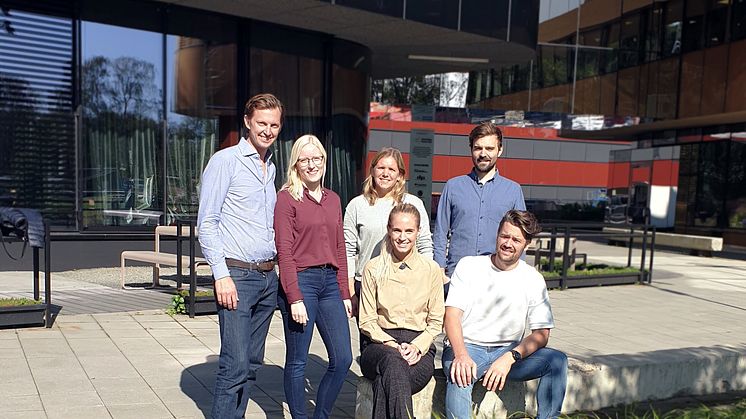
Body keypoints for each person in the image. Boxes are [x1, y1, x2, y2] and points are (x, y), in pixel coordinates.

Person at [197, 93, 284, 419]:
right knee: (233, 366)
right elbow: (207, 223)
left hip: (267, 278)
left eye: (274, 124)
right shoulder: (225, 161)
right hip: (237, 277)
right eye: (262, 123)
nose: (268, 130)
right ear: (247, 122)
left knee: (251, 365)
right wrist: (220, 274)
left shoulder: (271, 167)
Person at [442, 210, 567, 419]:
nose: (508, 243)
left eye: (516, 239)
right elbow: (452, 316)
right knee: (461, 374)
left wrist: (510, 357)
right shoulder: (469, 266)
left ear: (526, 244)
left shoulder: (533, 279)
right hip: (468, 347)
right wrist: (461, 355)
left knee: (557, 361)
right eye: (504, 236)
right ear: (497, 235)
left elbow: (542, 334)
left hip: (510, 351)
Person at [274, 134, 353, 419]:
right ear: (295, 164)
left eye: (316, 158)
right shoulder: (287, 199)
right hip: (302, 282)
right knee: (297, 361)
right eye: (304, 159)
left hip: (330, 284)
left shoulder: (333, 199)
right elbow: (284, 250)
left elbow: (339, 248)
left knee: (343, 359)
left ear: (324, 160)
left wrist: (345, 292)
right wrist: (294, 297)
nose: (311, 165)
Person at [358, 203, 444, 419]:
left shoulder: (431, 269)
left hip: (419, 347)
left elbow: (435, 321)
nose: (402, 237)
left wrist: (417, 347)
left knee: (384, 381)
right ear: (388, 230)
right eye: (397, 230)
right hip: (379, 346)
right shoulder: (373, 268)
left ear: (418, 232)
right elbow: (367, 320)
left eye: (409, 231)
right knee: (393, 362)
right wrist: (391, 345)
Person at [433, 122, 526, 289]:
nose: (483, 154)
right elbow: (440, 231)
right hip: (457, 278)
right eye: (478, 148)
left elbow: (520, 236)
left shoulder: (513, 190)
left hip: (498, 278)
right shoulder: (453, 187)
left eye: (489, 148)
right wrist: (440, 272)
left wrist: (518, 276)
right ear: (471, 149)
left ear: (500, 150)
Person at [344, 147, 434, 314]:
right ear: (372, 170)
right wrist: (350, 292)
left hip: (407, 285)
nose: (385, 173)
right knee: (369, 338)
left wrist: (427, 284)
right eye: (381, 168)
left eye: (391, 169)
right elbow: (347, 252)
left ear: (400, 175)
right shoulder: (356, 205)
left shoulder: (413, 204)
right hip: (367, 285)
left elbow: (425, 246)